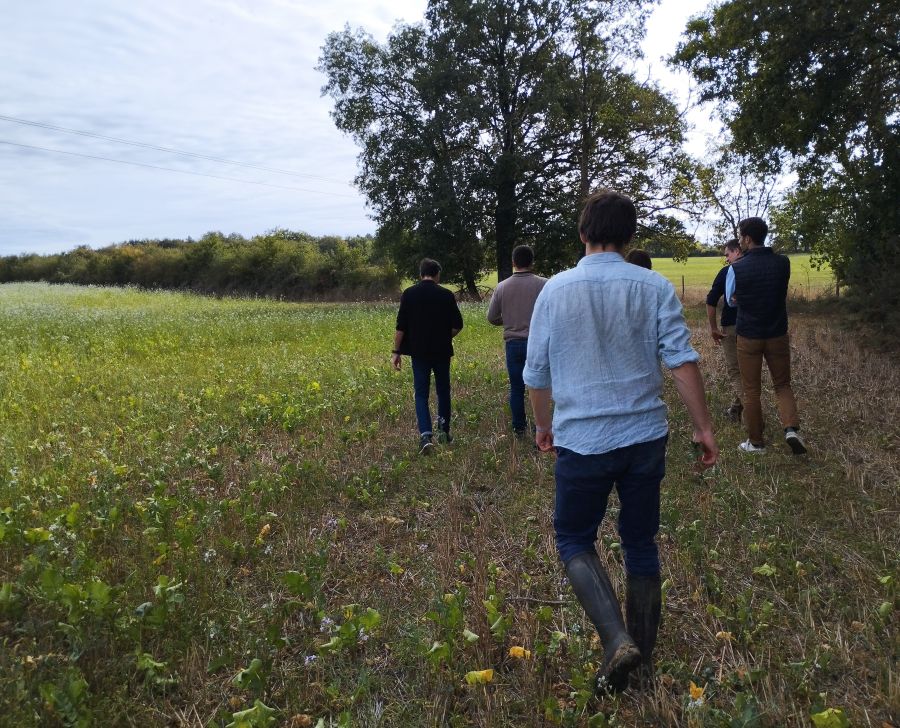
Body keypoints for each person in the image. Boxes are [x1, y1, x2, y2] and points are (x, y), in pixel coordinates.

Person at [524, 190, 718, 694]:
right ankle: (643, 664)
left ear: (583, 232)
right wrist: (703, 427)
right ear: (630, 236)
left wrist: (543, 424)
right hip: (644, 438)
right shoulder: (653, 286)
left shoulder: (555, 290)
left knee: (573, 538)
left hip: (582, 439)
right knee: (639, 542)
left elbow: (537, 373)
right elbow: (681, 361)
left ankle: (616, 640)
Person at [725, 217, 807, 454]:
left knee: (751, 390)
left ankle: (756, 442)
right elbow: (779, 291)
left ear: (747, 239)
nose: (740, 240)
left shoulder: (735, 268)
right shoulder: (783, 263)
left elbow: (730, 301)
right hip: (777, 332)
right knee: (782, 384)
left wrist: (741, 298)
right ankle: (791, 429)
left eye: (741, 237)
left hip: (748, 335)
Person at [391, 258, 464, 454]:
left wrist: (396, 352)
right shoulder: (446, 295)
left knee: (421, 393)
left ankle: (425, 435)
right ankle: (443, 431)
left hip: (418, 352)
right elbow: (458, 325)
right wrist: (444, 336)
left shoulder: (409, 294)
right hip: (441, 351)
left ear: (421, 274)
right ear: (437, 274)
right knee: (443, 391)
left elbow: (401, 327)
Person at [486, 245, 547, 436]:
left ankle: (519, 427)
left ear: (513, 262)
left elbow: (491, 317)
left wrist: (508, 321)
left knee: (516, 388)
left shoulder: (502, 287)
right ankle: (542, 426)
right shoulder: (544, 284)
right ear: (532, 261)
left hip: (513, 343)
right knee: (540, 386)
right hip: (537, 343)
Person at [706, 239, 744, 421]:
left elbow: (711, 300)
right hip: (755, 328)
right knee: (748, 371)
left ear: (737, 251)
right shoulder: (757, 269)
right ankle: (736, 409)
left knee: (735, 370)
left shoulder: (727, 272)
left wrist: (714, 328)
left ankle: (753, 412)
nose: (727, 259)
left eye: (728, 254)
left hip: (731, 326)